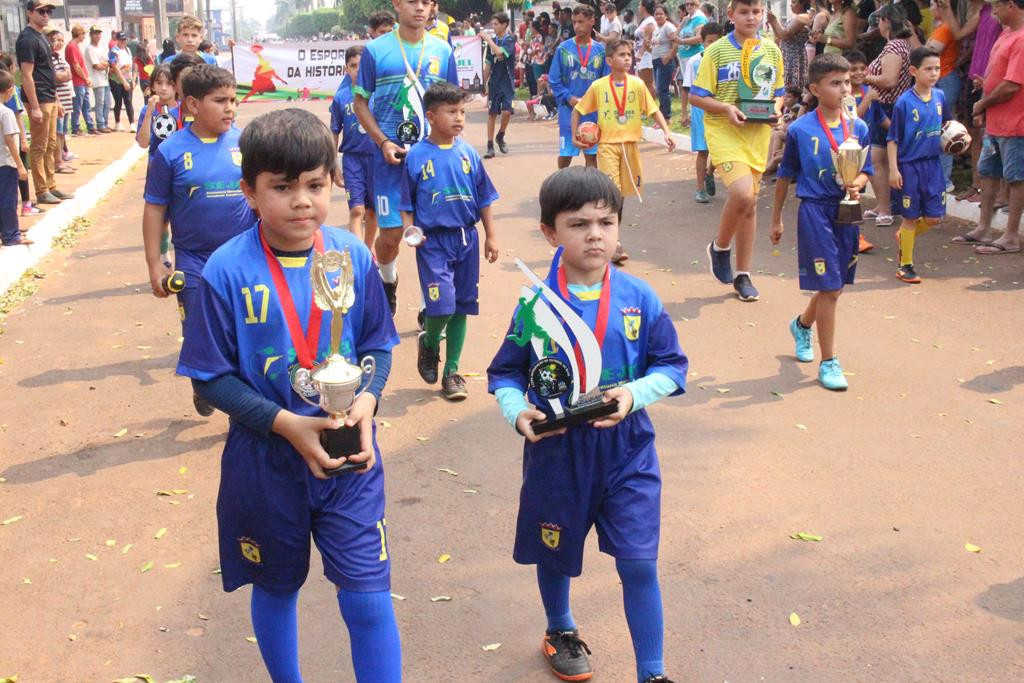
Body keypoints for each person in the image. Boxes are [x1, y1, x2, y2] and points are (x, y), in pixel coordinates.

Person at [176, 108, 401, 683]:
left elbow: (376, 342)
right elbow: (210, 377)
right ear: (249, 191)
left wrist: (368, 403)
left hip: (350, 459)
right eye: (282, 187)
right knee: (275, 589)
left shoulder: (350, 254)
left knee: (369, 600)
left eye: (315, 185)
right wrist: (283, 423)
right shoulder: (224, 272)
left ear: (332, 182)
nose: (302, 201)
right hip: (266, 464)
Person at [486, 167, 688, 683]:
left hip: (628, 452)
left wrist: (633, 394)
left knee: (639, 563)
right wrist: (518, 413)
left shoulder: (638, 297)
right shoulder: (536, 305)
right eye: (578, 224)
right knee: (555, 554)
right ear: (550, 232)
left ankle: (653, 671)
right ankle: (560, 628)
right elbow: (505, 372)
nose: (595, 234)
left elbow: (672, 366)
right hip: (558, 453)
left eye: (606, 222)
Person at [142, 65, 255, 416]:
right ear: (191, 103)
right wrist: (154, 263)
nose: (230, 108)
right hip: (193, 260)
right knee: (199, 329)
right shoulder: (171, 152)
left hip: (243, 257)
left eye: (233, 100)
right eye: (220, 101)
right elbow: (154, 209)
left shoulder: (246, 144)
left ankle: (243, 402)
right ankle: (202, 383)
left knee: (247, 327)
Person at [771, 54, 872, 391]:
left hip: (846, 212)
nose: (844, 88)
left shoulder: (858, 127)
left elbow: (865, 171)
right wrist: (776, 220)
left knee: (835, 285)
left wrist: (855, 184)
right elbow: (785, 176)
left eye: (846, 82)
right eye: (835, 83)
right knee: (829, 287)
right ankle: (829, 361)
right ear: (815, 88)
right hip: (815, 211)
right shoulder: (800, 129)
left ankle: (802, 325)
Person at [354, 0, 459, 317]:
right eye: (412, 1)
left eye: (426, 2)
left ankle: (431, 306)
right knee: (390, 237)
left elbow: (452, 103)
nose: (420, 8)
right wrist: (383, 141)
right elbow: (361, 103)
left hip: (429, 160)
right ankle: (388, 281)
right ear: (397, 4)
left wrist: (449, 148)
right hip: (390, 161)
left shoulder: (442, 51)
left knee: (433, 238)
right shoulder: (376, 51)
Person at [400, 83, 499, 400]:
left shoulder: (469, 153)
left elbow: (484, 197)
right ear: (430, 116)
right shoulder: (416, 157)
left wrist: (491, 236)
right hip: (433, 243)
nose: (459, 118)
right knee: (442, 304)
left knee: (461, 308)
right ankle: (429, 343)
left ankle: (452, 372)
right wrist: (410, 231)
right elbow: (406, 204)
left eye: (462, 112)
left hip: (466, 239)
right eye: (451, 111)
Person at [689, 0, 785, 302]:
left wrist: (777, 112)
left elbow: (778, 93)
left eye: (756, 12)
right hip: (724, 132)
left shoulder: (771, 50)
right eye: (744, 12)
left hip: (757, 134)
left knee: (751, 204)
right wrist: (726, 108)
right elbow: (696, 96)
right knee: (742, 195)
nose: (751, 17)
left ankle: (743, 274)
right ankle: (720, 247)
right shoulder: (716, 51)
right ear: (731, 15)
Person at [956, 0, 1024, 255]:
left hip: (1015, 123)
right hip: (996, 121)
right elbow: (1001, 77)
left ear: (1011, 5)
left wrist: (983, 102)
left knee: (1016, 178)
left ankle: (1010, 236)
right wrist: (985, 95)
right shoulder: (1007, 33)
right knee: (988, 172)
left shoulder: (1021, 38)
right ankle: (984, 227)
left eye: (997, 5)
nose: (993, 11)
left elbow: (1012, 85)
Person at [571, 39, 676, 201]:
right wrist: (574, 137)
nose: (628, 58)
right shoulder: (598, 86)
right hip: (607, 146)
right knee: (612, 191)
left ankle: (613, 222)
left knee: (622, 194)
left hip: (630, 145)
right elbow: (577, 110)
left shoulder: (638, 84)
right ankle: (611, 223)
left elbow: (654, 110)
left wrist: (667, 132)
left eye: (629, 54)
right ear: (609, 61)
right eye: (622, 55)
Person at [887, 46, 948, 283]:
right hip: (909, 167)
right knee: (910, 216)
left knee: (934, 217)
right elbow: (893, 139)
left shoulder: (940, 97)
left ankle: (905, 235)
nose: (934, 73)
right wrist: (894, 169)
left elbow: (949, 126)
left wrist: (961, 137)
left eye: (937, 68)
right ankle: (905, 265)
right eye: (928, 69)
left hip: (933, 166)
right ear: (914, 71)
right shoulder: (904, 102)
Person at [862, 2, 913, 228]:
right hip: (889, 105)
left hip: (887, 105)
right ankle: (884, 204)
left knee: (879, 159)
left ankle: (885, 209)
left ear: (886, 22)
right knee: (880, 158)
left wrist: (864, 78)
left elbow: (889, 81)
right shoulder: (901, 45)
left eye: (880, 21)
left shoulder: (894, 48)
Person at [17, 0, 73, 207]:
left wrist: (57, 100)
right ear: (30, 12)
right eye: (41, 11)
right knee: (40, 146)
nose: (46, 14)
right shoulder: (27, 39)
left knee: (51, 144)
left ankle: (50, 185)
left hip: (49, 96)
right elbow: (26, 74)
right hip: (38, 98)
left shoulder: (41, 36)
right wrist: (34, 106)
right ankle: (41, 190)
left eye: (48, 11)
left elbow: (47, 72)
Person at [549, 4, 610, 170]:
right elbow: (554, 80)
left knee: (591, 155)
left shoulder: (600, 51)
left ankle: (590, 191)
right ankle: (561, 187)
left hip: (592, 112)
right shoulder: (563, 49)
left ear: (592, 21)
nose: (576, 26)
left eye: (581, 22)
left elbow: (606, 81)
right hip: (569, 111)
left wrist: (595, 101)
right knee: (565, 155)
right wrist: (570, 98)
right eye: (574, 22)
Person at [330, 45, 378, 250]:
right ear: (346, 69)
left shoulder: (377, 94)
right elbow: (334, 131)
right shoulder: (341, 98)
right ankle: (361, 256)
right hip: (352, 159)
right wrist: (333, 165)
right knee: (357, 210)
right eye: (353, 66)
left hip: (377, 158)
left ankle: (368, 252)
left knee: (373, 211)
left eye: (361, 65)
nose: (357, 70)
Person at [926, 2, 962, 193]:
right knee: (937, 127)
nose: (931, 9)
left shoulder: (946, 28)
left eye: (933, 5)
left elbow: (926, 53)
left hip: (946, 80)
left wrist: (911, 36)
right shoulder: (940, 28)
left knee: (945, 128)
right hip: (941, 81)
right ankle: (939, 177)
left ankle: (945, 179)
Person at [685, 22, 722, 203]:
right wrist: (684, 113)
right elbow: (686, 89)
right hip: (700, 111)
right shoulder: (694, 62)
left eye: (717, 41)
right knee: (703, 150)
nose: (713, 45)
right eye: (709, 41)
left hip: (721, 108)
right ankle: (700, 189)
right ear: (702, 42)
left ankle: (710, 172)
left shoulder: (726, 60)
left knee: (720, 150)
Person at [845, 48, 877, 252]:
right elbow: (854, 118)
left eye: (861, 68)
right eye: (852, 69)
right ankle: (854, 236)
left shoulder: (869, 91)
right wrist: (869, 98)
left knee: (855, 195)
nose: (858, 73)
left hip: (866, 150)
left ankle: (851, 234)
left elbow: (881, 118)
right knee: (851, 194)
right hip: (849, 153)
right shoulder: (845, 95)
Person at [0, 69, 30, 247]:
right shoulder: (6, 113)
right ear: (10, 90)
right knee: (8, 199)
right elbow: (10, 140)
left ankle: (6, 231)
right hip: (6, 162)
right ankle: (11, 235)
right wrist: (20, 165)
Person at [483, 11, 517, 158]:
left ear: (504, 25)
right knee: (492, 114)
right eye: (493, 24)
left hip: (507, 81)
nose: (494, 26)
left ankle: (501, 135)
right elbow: (488, 63)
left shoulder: (509, 40)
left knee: (507, 111)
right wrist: (483, 83)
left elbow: (500, 54)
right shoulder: (493, 40)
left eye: (496, 24)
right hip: (495, 82)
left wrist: (489, 40)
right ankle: (490, 145)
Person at [674, 0, 709, 122]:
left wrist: (683, 41)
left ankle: (696, 114)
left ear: (698, 4)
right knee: (686, 85)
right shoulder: (687, 18)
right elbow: (674, 36)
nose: (689, 6)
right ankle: (688, 113)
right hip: (684, 57)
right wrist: (681, 24)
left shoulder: (699, 18)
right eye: (687, 4)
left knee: (694, 86)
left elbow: (700, 38)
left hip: (694, 56)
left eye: (692, 4)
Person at [46, 28, 74, 175]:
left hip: (66, 97)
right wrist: (63, 75)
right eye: (54, 40)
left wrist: (63, 75)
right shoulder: (48, 58)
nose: (57, 43)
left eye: (60, 40)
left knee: (62, 132)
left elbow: (68, 75)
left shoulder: (59, 57)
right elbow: (54, 78)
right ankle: (57, 162)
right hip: (57, 98)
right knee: (57, 132)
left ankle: (61, 159)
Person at [135, 63, 178, 159]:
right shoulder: (147, 110)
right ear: (153, 86)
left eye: (169, 83)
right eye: (159, 83)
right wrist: (148, 114)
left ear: (177, 86)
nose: (164, 88)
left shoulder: (184, 109)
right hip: (156, 165)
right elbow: (143, 143)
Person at [767, 0, 812, 87]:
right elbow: (780, 36)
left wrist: (774, 20)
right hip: (786, 55)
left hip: (794, 56)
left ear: (803, 3)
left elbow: (785, 36)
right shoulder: (796, 17)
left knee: (791, 88)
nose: (791, 5)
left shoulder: (802, 17)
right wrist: (772, 22)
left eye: (794, 2)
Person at [650, 5, 678, 126]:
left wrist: (668, 56)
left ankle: (666, 118)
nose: (658, 16)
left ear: (666, 15)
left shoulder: (668, 27)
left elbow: (676, 42)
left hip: (665, 62)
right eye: (656, 14)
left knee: (662, 90)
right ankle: (662, 117)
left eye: (661, 14)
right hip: (656, 61)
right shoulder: (656, 29)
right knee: (660, 90)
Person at [65, 25, 94, 137]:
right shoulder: (72, 46)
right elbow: (76, 66)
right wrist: (85, 78)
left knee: (86, 105)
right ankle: (75, 128)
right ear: (79, 34)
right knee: (77, 106)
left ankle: (90, 126)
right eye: (83, 34)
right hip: (78, 82)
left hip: (82, 82)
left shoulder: (75, 46)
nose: (84, 36)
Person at [84, 26, 112, 133]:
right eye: (95, 33)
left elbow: (108, 62)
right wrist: (104, 65)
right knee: (99, 102)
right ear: (91, 35)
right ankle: (100, 124)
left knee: (107, 102)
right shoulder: (89, 48)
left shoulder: (101, 48)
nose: (97, 35)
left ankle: (104, 122)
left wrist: (104, 64)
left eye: (99, 33)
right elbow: (96, 66)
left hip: (104, 78)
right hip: (96, 79)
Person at [108, 32, 135, 133]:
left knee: (128, 101)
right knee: (118, 102)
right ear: (117, 40)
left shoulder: (127, 50)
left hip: (127, 78)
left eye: (124, 40)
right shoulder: (114, 51)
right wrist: (123, 82)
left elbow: (130, 66)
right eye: (121, 40)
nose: (123, 42)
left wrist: (132, 80)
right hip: (116, 80)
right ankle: (118, 122)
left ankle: (132, 123)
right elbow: (114, 67)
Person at [634, 0, 659, 96]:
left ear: (644, 7)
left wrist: (640, 54)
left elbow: (647, 40)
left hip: (646, 56)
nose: (638, 7)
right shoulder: (644, 21)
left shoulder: (650, 22)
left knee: (648, 83)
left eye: (639, 4)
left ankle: (651, 107)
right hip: (641, 56)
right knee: (643, 83)